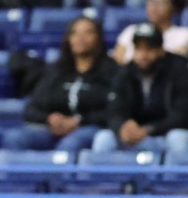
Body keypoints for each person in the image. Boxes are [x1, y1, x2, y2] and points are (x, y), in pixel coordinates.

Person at [14, 16, 119, 153]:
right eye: (75, 33)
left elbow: (115, 111)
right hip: (53, 129)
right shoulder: (55, 70)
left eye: (88, 33)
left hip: (91, 127)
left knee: (70, 144)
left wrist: (79, 121)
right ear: (68, 39)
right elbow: (31, 108)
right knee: (15, 138)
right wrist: (49, 118)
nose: (81, 38)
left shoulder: (113, 72)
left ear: (98, 38)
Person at [98, 30, 188, 155]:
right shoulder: (125, 72)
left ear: (160, 51)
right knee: (104, 138)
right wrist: (122, 127)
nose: (143, 55)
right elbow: (113, 110)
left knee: (177, 138)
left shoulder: (179, 69)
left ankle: (178, 175)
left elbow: (184, 115)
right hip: (139, 135)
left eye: (149, 49)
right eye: (138, 49)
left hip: (173, 133)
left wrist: (149, 129)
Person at [113, 0, 188, 63]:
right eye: (151, 1)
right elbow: (117, 61)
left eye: (160, 3)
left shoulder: (185, 34)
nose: (154, 7)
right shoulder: (131, 30)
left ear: (174, 8)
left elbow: (175, 63)